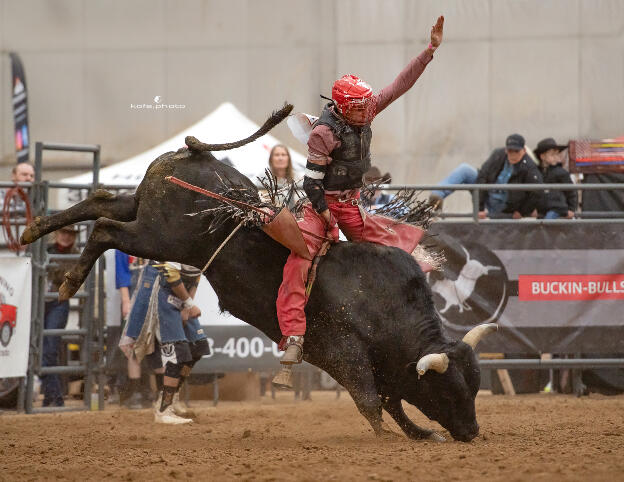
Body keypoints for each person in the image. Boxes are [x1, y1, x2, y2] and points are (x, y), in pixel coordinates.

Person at [275, 16, 444, 366]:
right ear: (341, 107)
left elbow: (399, 85)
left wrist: (429, 50)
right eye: (359, 107)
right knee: (300, 260)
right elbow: (311, 182)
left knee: (395, 248)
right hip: (322, 204)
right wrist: (325, 215)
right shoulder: (323, 133)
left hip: (351, 202)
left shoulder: (362, 111)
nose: (368, 111)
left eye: (367, 105)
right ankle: (293, 335)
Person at [120, 260, 210, 424]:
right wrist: (188, 303)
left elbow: (197, 272)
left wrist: (188, 304)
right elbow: (170, 271)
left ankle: (169, 399)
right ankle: (164, 409)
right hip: (161, 289)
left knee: (197, 346)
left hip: (178, 290)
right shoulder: (178, 248)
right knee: (177, 351)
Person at [429, 134, 543, 219]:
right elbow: (483, 175)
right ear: (505, 149)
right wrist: (480, 208)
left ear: (523, 151)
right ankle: (436, 199)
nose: (512, 155)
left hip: (505, 207)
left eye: (516, 151)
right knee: (465, 169)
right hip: (488, 194)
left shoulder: (529, 167)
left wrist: (521, 212)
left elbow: (537, 191)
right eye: (510, 151)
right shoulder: (498, 155)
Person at [41, 224, 79, 407]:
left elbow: (66, 279)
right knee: (43, 350)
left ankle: (55, 396)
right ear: (57, 233)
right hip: (43, 302)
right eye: (63, 232)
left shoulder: (75, 254)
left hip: (58, 303)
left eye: (70, 233)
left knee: (50, 349)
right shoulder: (46, 249)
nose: (66, 236)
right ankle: (51, 395)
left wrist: (48, 265)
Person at [534, 137, 577, 219]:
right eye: (552, 154)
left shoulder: (561, 172)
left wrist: (571, 209)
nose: (556, 157)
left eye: (557, 154)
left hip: (558, 208)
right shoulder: (537, 172)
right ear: (542, 156)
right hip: (542, 208)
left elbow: (571, 192)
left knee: (549, 220)